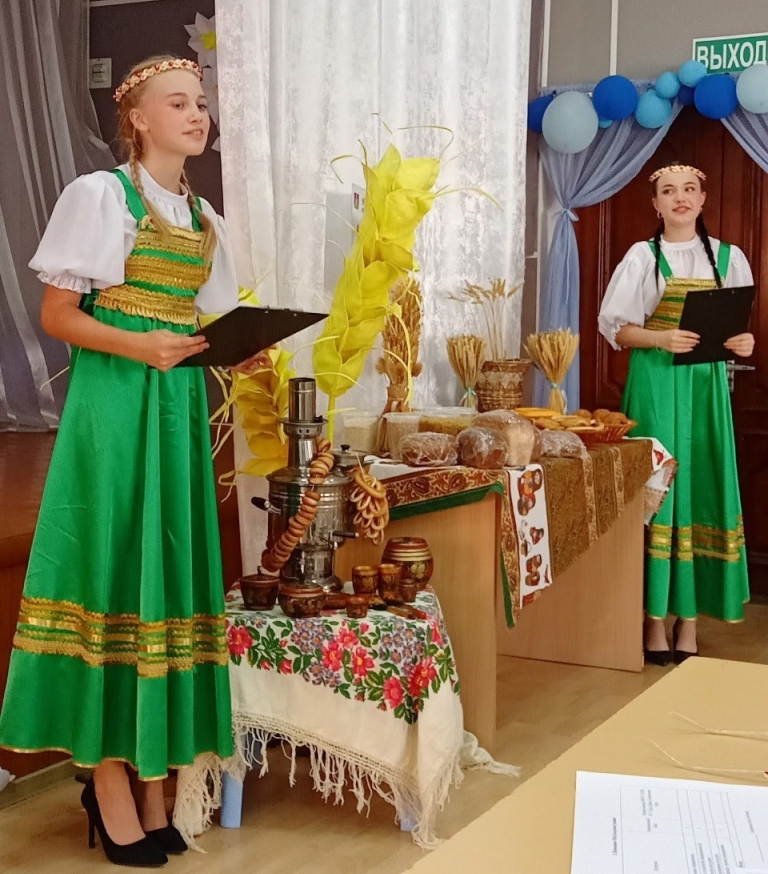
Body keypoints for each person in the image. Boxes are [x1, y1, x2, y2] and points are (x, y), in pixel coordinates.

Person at [0, 56, 256, 866]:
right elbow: (58, 314)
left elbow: (209, 321)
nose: (196, 114)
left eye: (200, 102)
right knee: (110, 569)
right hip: (113, 407)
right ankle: (108, 778)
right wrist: (142, 345)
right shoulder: (100, 195)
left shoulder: (204, 217)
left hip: (175, 409)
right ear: (138, 119)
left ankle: (153, 778)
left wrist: (244, 346)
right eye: (177, 103)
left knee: (164, 572)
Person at [599, 162, 754, 667]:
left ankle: (689, 620)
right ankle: (651, 618)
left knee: (702, 483)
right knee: (657, 487)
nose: (680, 197)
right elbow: (617, 329)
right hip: (656, 380)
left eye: (689, 189)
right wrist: (660, 337)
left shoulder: (729, 259)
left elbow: (736, 331)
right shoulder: (642, 257)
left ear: (703, 199)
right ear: (656, 204)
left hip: (706, 386)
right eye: (669, 191)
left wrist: (744, 343)